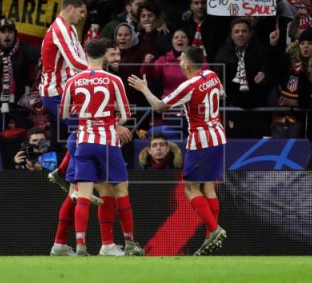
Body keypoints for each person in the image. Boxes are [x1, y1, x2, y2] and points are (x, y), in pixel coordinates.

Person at [128, 46, 227, 255]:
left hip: (201, 140)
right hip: (218, 136)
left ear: (187, 64)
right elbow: (222, 94)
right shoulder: (213, 75)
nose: (179, 63)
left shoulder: (188, 86)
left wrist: (145, 89)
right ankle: (210, 237)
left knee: (190, 188)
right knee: (208, 187)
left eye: (181, 60)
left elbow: (160, 107)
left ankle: (214, 229)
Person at [60, 39, 144, 256]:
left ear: (86, 54)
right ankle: (128, 242)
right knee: (120, 189)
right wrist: (109, 120)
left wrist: (86, 119)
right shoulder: (114, 80)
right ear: (105, 55)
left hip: (84, 142)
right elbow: (125, 115)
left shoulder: (72, 81)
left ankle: (80, 244)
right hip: (107, 142)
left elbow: (64, 114)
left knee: (84, 194)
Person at [39, 0, 88, 146]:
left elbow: (82, 57)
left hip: (66, 91)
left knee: (83, 131)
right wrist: (99, 73)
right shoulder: (59, 30)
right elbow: (74, 62)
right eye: (81, 12)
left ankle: (65, 170)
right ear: (69, 9)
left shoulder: (71, 29)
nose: (82, 16)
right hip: (55, 94)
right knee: (87, 130)